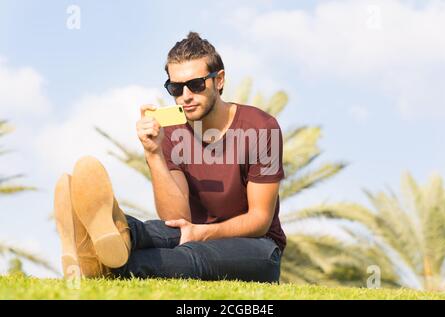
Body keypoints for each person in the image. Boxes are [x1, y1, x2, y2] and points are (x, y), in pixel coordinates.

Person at [54, 32, 286, 283]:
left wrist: (203, 233)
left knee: (194, 254)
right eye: (175, 88)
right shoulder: (172, 133)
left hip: (258, 248)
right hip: (190, 232)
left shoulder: (261, 128)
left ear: (218, 80)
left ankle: (99, 262)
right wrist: (153, 153)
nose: (185, 96)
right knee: (150, 231)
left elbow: (260, 220)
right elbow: (176, 217)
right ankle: (109, 231)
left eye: (196, 85)